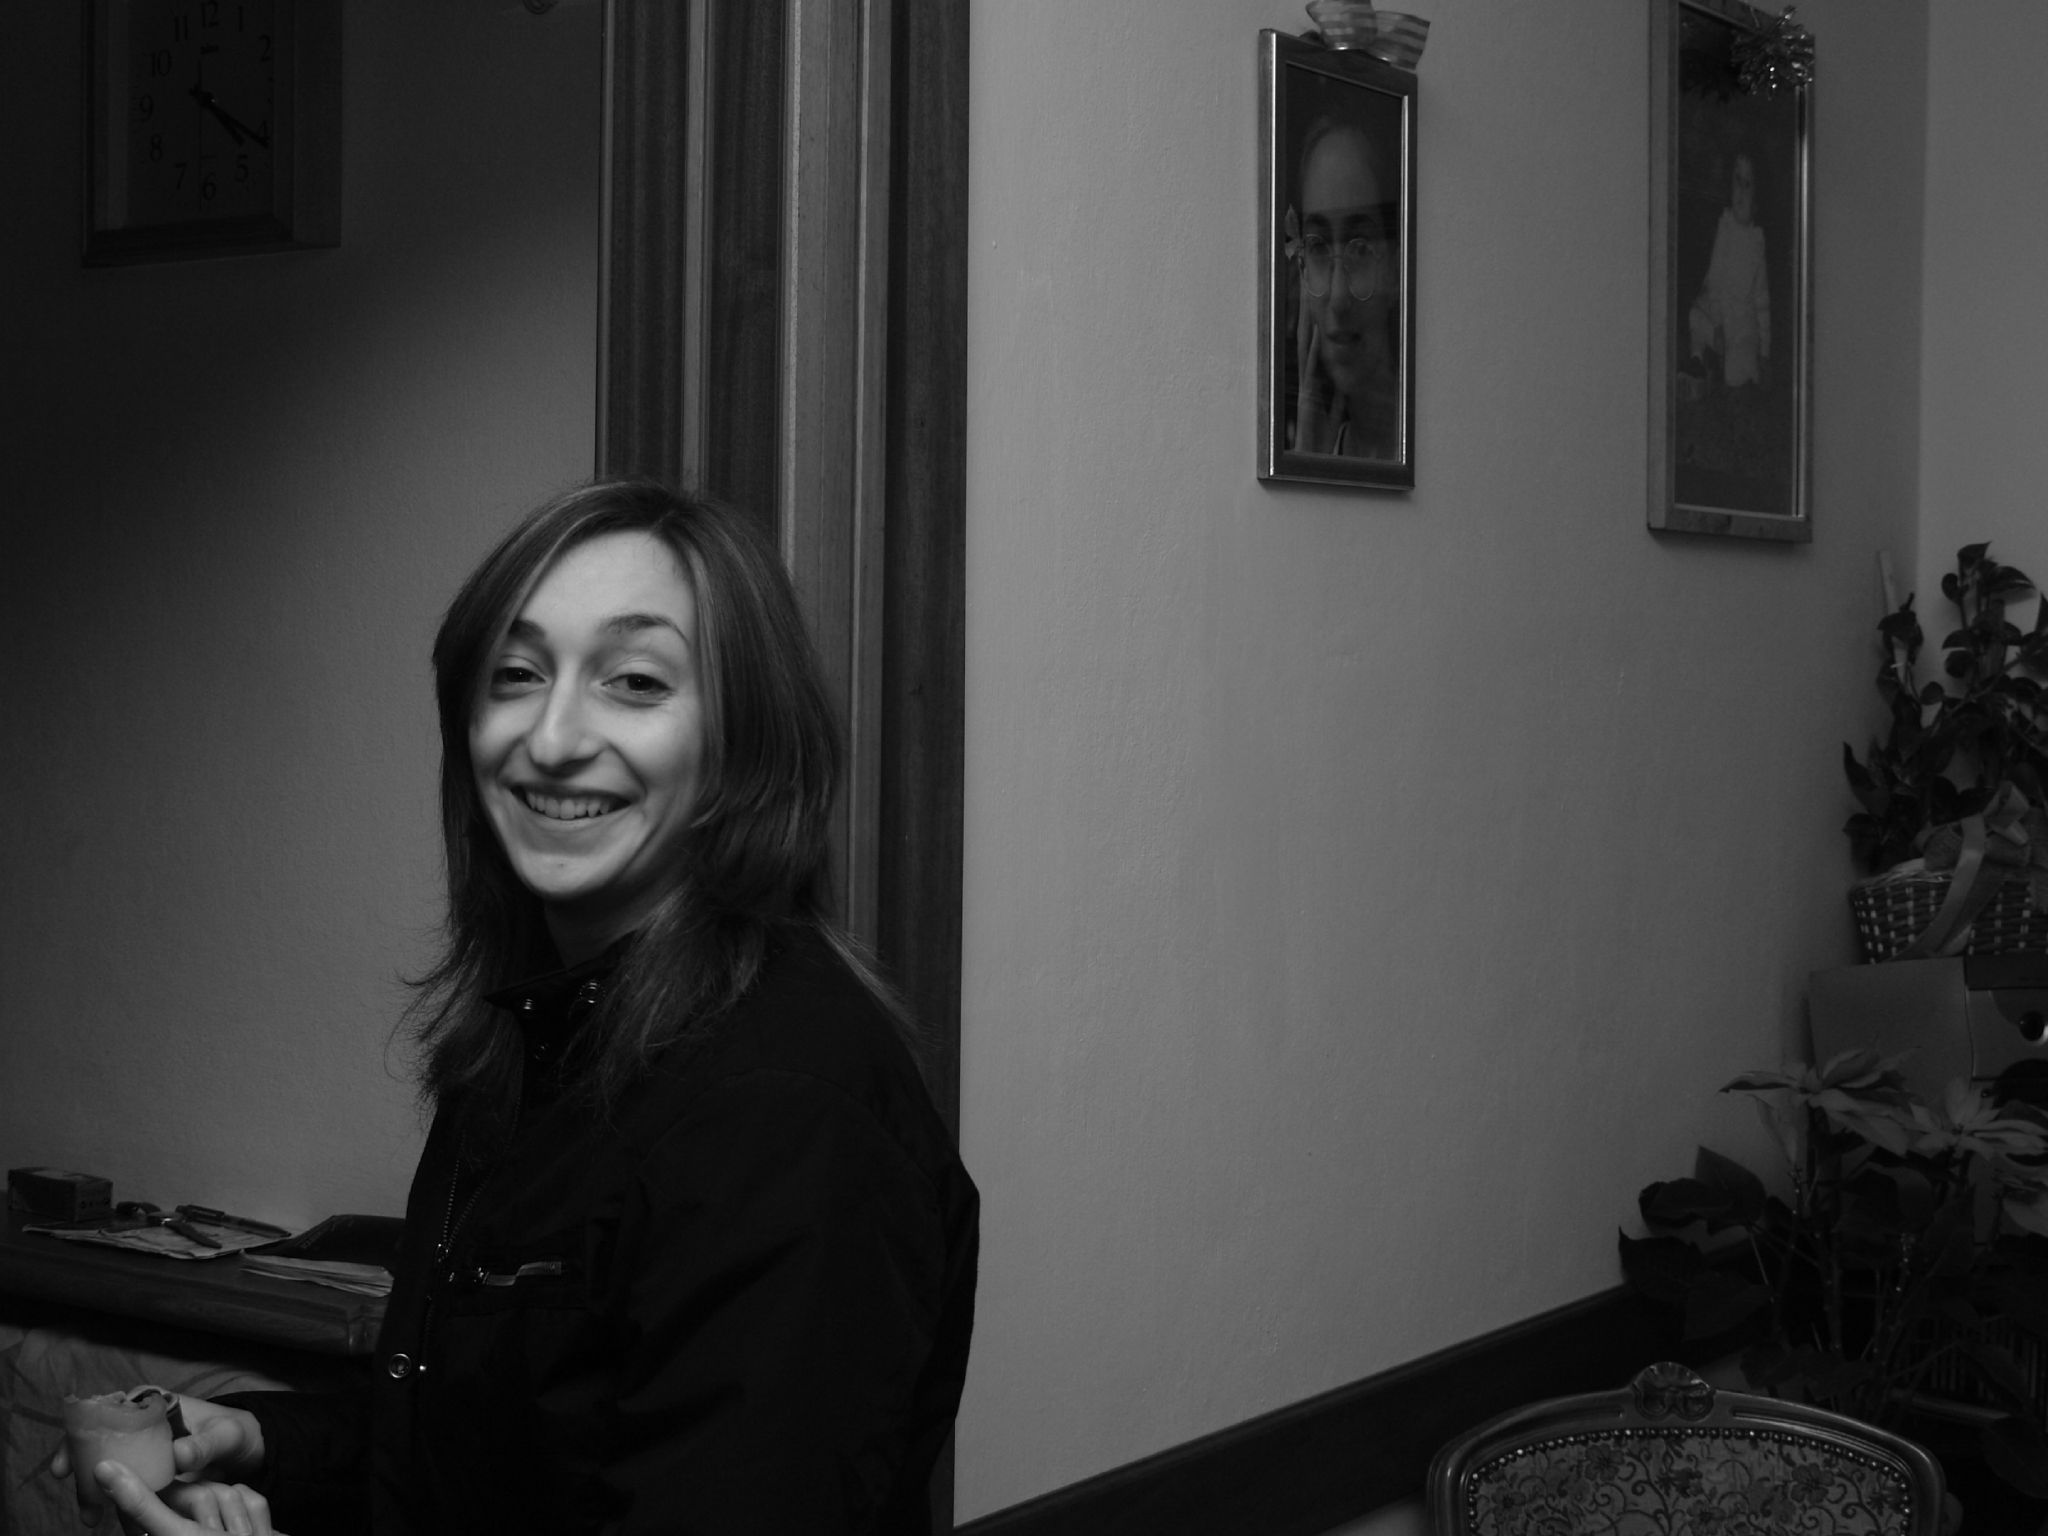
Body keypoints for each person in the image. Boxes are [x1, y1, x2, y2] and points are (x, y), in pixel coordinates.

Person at [60, 480, 980, 1535]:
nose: (551, 737)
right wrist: (268, 1440)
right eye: (516, 674)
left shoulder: (783, 1112)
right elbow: (505, 1448)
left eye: (633, 681)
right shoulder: (533, 1041)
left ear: (742, 743)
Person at [1288, 114, 1401, 460]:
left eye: (1361, 248)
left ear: (1397, 266)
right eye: (1320, 247)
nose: (1338, 297)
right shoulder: (1323, 448)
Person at [1686, 151, 1770, 389]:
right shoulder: (1725, 228)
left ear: (1757, 201)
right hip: (1719, 320)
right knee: (1694, 317)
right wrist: (1719, 326)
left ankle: (1719, 369)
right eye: (1737, 181)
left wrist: (1765, 352)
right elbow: (1714, 281)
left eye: (1747, 184)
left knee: (1739, 379)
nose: (1740, 192)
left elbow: (1762, 300)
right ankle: (1698, 361)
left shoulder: (1757, 242)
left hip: (1743, 331)